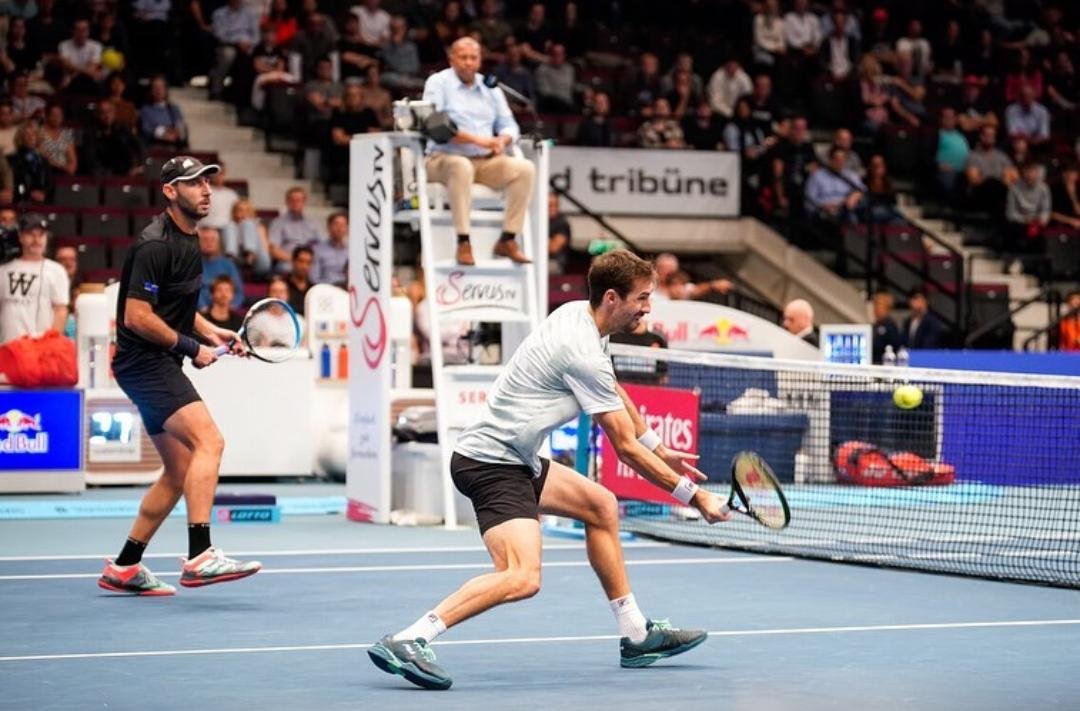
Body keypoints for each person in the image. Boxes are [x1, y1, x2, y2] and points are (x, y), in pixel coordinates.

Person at [368, 249, 729, 690]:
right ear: (612, 298)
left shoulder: (583, 316)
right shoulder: (580, 350)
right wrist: (694, 495)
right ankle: (411, 638)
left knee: (601, 505)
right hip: (491, 464)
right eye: (643, 298)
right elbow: (625, 450)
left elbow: (613, 389)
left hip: (515, 457)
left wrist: (659, 445)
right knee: (521, 577)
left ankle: (636, 635)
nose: (648, 307)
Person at [97, 156, 261, 596]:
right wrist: (193, 348)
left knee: (179, 468)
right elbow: (136, 316)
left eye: (208, 182)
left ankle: (125, 567)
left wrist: (211, 331)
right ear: (171, 191)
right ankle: (201, 555)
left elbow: (179, 310)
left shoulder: (190, 241)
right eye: (193, 183)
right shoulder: (155, 244)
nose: (205, 190)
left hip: (153, 363)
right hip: (144, 364)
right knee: (211, 442)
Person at [423, 37, 535, 266]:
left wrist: (502, 140)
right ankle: (463, 241)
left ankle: (508, 238)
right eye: (463, 57)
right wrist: (483, 141)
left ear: (480, 60)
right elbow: (438, 125)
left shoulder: (489, 86)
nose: (468, 63)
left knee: (524, 169)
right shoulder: (438, 82)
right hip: (443, 160)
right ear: (451, 59)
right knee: (460, 166)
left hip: (484, 162)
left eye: (473, 58)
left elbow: (509, 125)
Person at [0, 213, 68, 345]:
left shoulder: (56, 271)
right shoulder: (3, 270)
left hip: (40, 348)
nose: (36, 240)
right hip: (7, 348)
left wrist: (50, 344)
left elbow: (60, 310)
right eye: (31, 234)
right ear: (21, 237)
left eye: (41, 235)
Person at [268, 186, 322, 273]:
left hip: (311, 262)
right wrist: (297, 260)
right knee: (287, 268)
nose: (295, 203)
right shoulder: (278, 223)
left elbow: (322, 245)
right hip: (289, 261)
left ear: (304, 202)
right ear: (287, 202)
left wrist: (308, 261)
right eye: (292, 200)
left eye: (298, 200)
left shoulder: (313, 223)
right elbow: (273, 249)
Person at [197, 226, 243, 310]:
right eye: (205, 240)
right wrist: (203, 308)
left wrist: (231, 308)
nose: (209, 243)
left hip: (225, 312)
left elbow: (239, 292)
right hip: (202, 312)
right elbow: (192, 293)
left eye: (213, 240)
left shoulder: (228, 264)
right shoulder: (192, 265)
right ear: (198, 243)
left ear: (218, 243)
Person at [311, 211, 348, 287]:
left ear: (347, 229)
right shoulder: (317, 250)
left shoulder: (351, 252)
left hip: (346, 291)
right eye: (336, 224)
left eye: (343, 225)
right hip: (326, 291)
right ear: (328, 227)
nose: (339, 228)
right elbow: (313, 278)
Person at [870, 291, 901, 364]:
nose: (875, 308)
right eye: (875, 304)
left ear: (887, 307)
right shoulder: (875, 325)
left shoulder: (890, 325)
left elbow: (893, 346)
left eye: (878, 304)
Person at [285, 245, 313, 315]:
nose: (304, 266)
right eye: (301, 261)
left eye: (308, 263)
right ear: (293, 261)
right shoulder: (283, 286)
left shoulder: (313, 290)